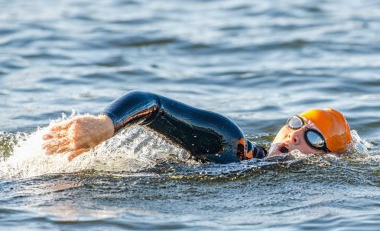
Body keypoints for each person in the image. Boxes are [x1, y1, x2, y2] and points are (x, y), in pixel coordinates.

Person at [42, 91, 352, 163]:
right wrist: (104, 125)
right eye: (295, 124)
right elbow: (151, 104)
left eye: (313, 136)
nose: (296, 134)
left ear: (328, 158)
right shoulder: (229, 142)